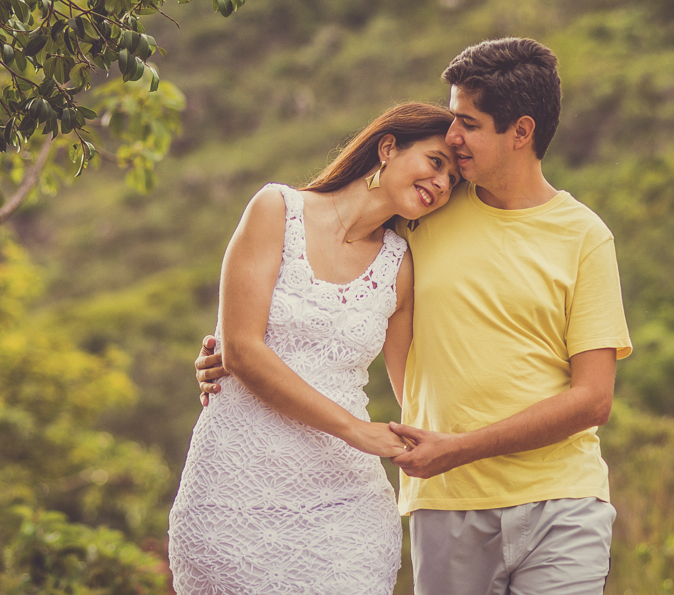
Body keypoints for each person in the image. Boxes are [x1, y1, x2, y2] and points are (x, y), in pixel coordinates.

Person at [197, 38, 632, 595]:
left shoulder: (586, 236)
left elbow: (593, 399)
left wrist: (459, 447)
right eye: (451, 123)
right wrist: (228, 355)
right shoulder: (421, 218)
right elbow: (326, 277)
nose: (452, 140)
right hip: (446, 504)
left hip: (563, 500)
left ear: (520, 132)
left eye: (467, 124)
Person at [167, 102, 461, 595]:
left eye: (453, 179)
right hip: (232, 493)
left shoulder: (399, 266)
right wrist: (356, 431)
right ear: (387, 147)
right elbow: (240, 349)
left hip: (346, 508)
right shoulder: (276, 209)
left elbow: (416, 388)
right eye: (435, 162)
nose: (442, 184)